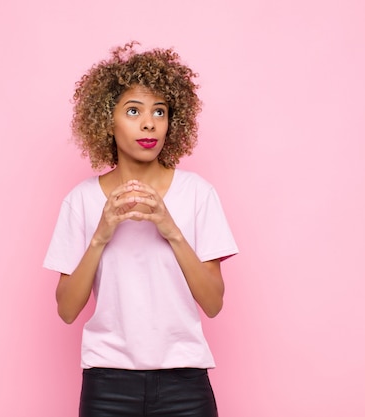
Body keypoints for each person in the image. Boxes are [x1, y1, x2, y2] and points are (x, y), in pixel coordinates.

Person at [43, 42, 238, 417]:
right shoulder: (80, 201)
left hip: (185, 382)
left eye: (159, 112)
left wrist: (171, 229)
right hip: (108, 384)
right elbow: (67, 310)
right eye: (133, 111)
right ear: (106, 119)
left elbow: (213, 303)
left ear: (172, 122)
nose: (149, 123)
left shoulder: (198, 194)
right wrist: (101, 234)